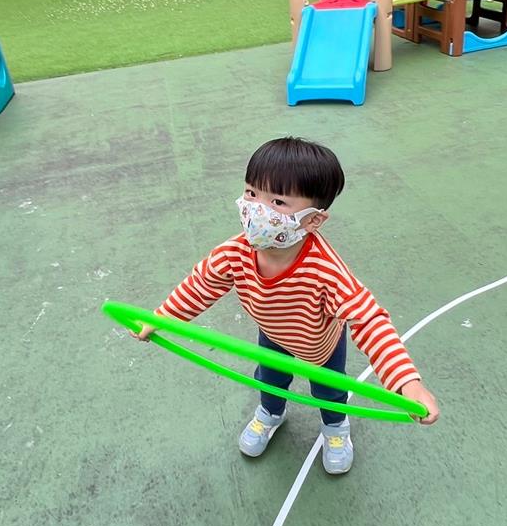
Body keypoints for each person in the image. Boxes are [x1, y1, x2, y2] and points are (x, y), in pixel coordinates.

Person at [133, 137, 439, 474]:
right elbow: (200, 285)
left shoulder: (327, 272)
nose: (256, 210)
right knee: (269, 378)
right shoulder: (235, 252)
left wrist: (406, 382)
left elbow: (369, 320)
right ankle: (270, 413)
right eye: (251, 193)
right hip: (273, 333)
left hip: (319, 342)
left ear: (313, 220)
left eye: (277, 201)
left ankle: (335, 426)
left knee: (330, 389)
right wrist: (160, 317)